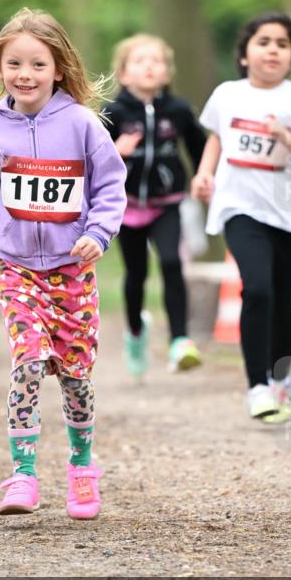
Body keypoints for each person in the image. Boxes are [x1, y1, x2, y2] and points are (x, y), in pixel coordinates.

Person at [0, 8, 126, 518]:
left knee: (75, 375)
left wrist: (98, 231)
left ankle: (81, 470)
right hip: (15, 268)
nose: (24, 75)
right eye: (14, 64)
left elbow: (110, 186)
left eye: (36, 64)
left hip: (72, 271)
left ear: (58, 68)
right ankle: (23, 476)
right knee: (27, 362)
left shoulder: (81, 125)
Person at [191, 12, 291, 423]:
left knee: (282, 301)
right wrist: (204, 174)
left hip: (288, 215)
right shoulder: (227, 95)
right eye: (264, 41)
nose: (273, 49)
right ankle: (257, 387)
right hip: (240, 208)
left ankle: (280, 378)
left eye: (283, 43)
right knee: (256, 290)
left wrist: (287, 138)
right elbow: (217, 138)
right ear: (244, 54)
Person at [103, 33, 206, 377]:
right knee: (136, 275)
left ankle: (180, 341)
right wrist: (115, 153)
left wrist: (203, 177)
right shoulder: (111, 112)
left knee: (173, 262)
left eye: (156, 61)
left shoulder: (178, 111)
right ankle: (135, 332)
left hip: (167, 202)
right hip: (126, 205)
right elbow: (89, 159)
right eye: (139, 61)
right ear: (123, 74)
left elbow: (200, 148)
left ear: (166, 73)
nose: (149, 66)